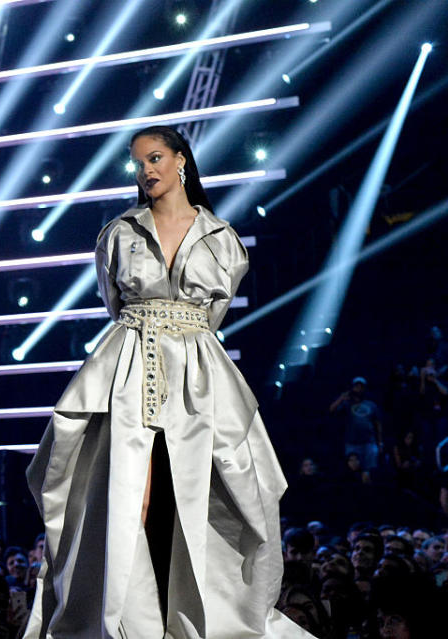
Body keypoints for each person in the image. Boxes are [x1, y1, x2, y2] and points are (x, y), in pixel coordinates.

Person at [22, 125, 312, 638]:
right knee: (127, 491)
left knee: (215, 492)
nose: (146, 171)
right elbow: (115, 302)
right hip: (128, 365)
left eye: (155, 158)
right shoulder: (118, 232)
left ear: (182, 161)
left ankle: (202, 617)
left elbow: (214, 313)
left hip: (199, 372)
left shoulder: (222, 239)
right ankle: (130, 619)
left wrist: (180, 335)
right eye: (137, 163)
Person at [330, 376, 383, 471]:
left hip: (369, 442)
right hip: (352, 443)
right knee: (352, 470)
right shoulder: (346, 404)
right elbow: (331, 410)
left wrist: (380, 442)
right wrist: (341, 398)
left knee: (371, 469)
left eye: (361, 387)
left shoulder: (371, 404)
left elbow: (378, 424)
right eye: (356, 386)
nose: (359, 389)